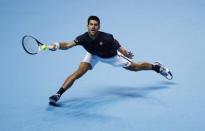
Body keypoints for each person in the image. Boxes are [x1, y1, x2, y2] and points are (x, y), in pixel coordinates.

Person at [48, 16, 173, 105]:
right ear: (87, 26)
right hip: (92, 55)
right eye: (91, 24)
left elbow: (119, 46)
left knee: (135, 67)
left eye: (95, 24)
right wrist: (57, 45)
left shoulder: (106, 37)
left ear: (99, 26)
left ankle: (156, 67)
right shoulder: (82, 38)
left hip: (112, 57)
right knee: (78, 73)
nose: (93, 26)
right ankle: (58, 94)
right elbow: (68, 45)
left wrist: (125, 52)